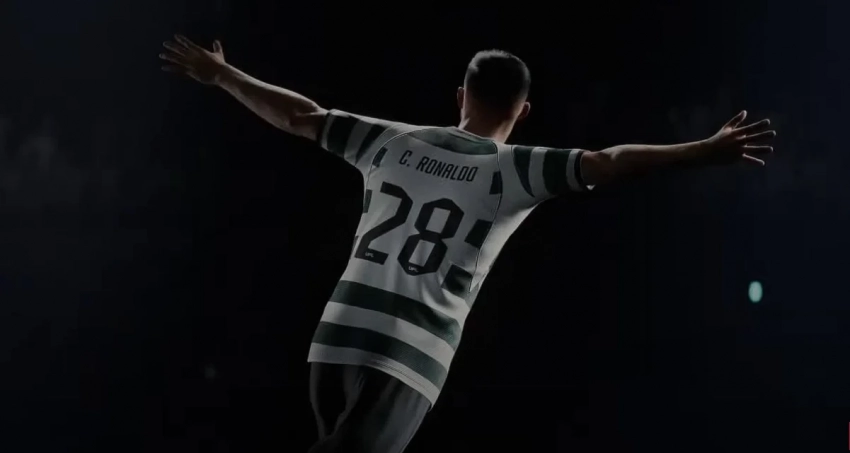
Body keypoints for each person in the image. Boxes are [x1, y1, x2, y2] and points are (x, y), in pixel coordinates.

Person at [160, 35, 776, 452]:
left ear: (460, 96)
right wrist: (703, 150)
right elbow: (609, 162)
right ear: (523, 111)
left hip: (336, 336)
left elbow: (301, 115)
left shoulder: (388, 139)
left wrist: (224, 75)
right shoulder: (516, 170)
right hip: (409, 350)